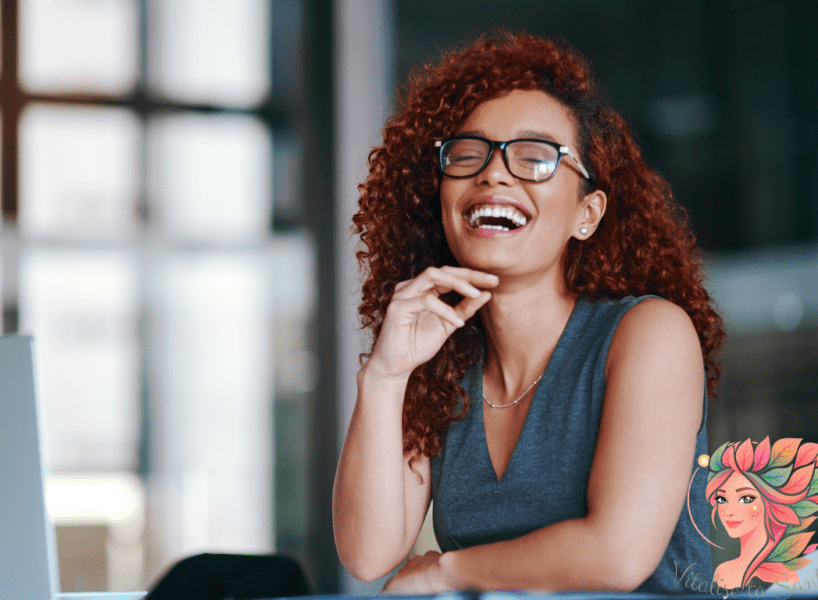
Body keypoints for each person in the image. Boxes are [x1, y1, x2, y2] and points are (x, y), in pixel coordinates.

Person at [333, 29, 726, 594]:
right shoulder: (442, 365)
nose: (493, 173)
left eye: (535, 158)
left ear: (586, 214)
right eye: (468, 155)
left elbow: (618, 555)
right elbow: (369, 556)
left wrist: (446, 570)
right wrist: (385, 376)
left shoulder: (648, 334)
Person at [707, 437, 818, 590]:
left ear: (770, 500)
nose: (728, 511)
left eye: (746, 498)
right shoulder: (724, 571)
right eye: (722, 499)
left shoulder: (790, 575)